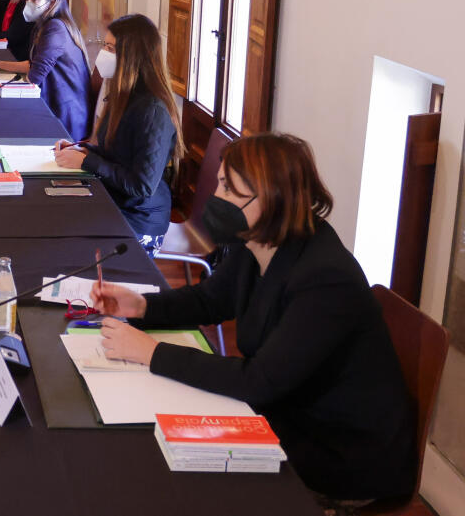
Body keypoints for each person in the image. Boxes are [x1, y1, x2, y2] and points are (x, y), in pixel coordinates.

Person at [92, 133, 417, 508]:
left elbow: (258, 382)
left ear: (273, 197)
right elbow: (210, 300)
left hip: (341, 450)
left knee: (181, 470)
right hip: (291, 411)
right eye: (221, 184)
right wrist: (141, 307)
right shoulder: (258, 239)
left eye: (230, 189)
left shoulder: (325, 278)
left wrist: (153, 354)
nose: (217, 198)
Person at [52, 13, 181, 249]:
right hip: (114, 199)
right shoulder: (122, 94)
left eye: (111, 48)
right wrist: (80, 149)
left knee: (65, 240)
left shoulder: (152, 111)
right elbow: (115, 152)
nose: (104, 54)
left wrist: (87, 161)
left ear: (132, 57)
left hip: (139, 219)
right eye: (105, 46)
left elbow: (141, 186)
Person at [0, 0, 90, 140]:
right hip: (54, 103)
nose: (28, 3)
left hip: (63, 115)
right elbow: (34, 65)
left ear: (51, 3)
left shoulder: (55, 28)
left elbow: (34, 76)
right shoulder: (44, 24)